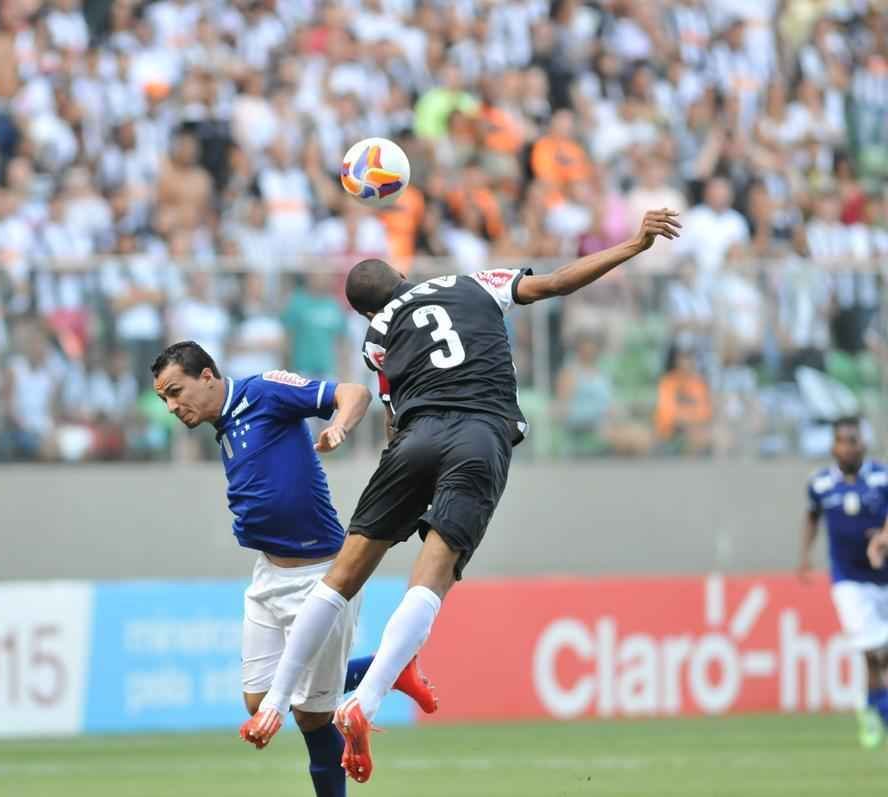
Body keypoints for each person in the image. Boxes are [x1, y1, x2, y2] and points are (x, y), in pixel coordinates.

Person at [243, 209, 682, 781]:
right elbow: (553, 283)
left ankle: (274, 703)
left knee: (343, 575)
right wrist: (633, 244)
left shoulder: (377, 336)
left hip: (416, 437)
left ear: (366, 311)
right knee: (434, 574)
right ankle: (366, 701)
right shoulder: (474, 281)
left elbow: (393, 418)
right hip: (480, 432)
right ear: (402, 276)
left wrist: (402, 469)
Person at [150, 341, 436, 797]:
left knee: (310, 717)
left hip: (321, 576)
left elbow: (353, 393)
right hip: (268, 575)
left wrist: (340, 426)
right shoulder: (223, 425)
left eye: (174, 391)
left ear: (207, 376)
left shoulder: (263, 391)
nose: (170, 405)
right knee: (256, 700)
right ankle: (388, 668)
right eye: (163, 398)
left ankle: (383, 676)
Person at [805, 418, 888, 748]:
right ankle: (879, 711)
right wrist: (804, 555)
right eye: (842, 441)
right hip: (849, 581)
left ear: (863, 445)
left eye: (853, 440)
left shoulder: (882, 477)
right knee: (873, 648)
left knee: (876, 656)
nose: (848, 446)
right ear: (832, 447)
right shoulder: (821, 484)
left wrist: (882, 538)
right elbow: (811, 516)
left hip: (883, 578)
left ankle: (869, 705)